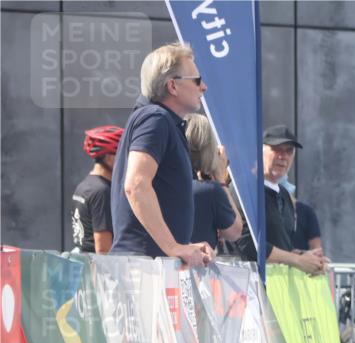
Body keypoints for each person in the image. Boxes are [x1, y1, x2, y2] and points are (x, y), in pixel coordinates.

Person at [110, 42, 214, 267]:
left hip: (149, 262)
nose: (203, 87)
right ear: (172, 86)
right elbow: (136, 184)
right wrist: (174, 247)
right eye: (196, 80)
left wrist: (180, 246)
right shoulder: (155, 119)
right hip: (145, 266)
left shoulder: (160, 120)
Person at [235, 125, 325, 275]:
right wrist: (297, 260)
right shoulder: (243, 188)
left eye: (289, 151)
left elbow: (283, 246)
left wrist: (309, 259)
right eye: (277, 148)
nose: (283, 156)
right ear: (259, 150)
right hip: (247, 288)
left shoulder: (283, 194)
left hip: (276, 290)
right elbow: (246, 243)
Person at [185, 114, 243, 250]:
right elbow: (234, 232)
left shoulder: (163, 182)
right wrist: (221, 179)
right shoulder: (209, 191)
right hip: (195, 267)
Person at [71, 125, 123, 253]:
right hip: (97, 269)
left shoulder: (85, 185)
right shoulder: (102, 191)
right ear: (111, 158)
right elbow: (103, 249)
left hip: (83, 263)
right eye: (122, 156)